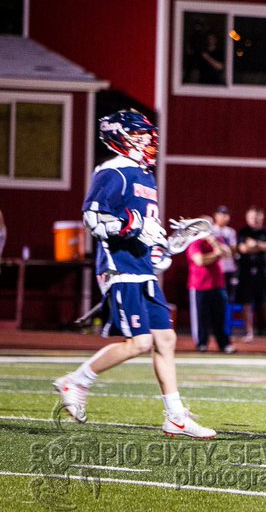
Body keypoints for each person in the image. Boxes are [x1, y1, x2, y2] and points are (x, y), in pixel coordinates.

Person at [53, 109, 215, 438]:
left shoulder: (145, 175)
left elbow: (146, 230)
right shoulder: (113, 171)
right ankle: (76, 381)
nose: (147, 141)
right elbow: (93, 218)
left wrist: (163, 248)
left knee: (166, 340)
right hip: (120, 268)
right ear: (120, 137)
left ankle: (175, 416)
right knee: (139, 343)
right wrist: (133, 225)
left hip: (142, 269)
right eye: (139, 136)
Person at [186, 221, 235, 354]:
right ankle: (201, 343)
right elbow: (200, 261)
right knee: (201, 318)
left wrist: (214, 244)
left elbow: (227, 254)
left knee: (220, 317)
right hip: (199, 286)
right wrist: (216, 254)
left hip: (218, 285)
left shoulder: (216, 240)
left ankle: (224, 344)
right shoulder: (195, 243)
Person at [236, 205, 266, 342]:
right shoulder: (243, 232)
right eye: (252, 218)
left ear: (262, 218)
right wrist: (260, 247)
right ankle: (249, 332)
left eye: (257, 218)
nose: (255, 220)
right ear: (248, 218)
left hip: (262, 272)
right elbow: (243, 249)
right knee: (247, 303)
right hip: (246, 272)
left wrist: (256, 244)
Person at [212, 205, 238, 301]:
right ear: (216, 215)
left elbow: (233, 249)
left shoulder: (230, 232)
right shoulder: (211, 230)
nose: (225, 217)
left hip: (228, 269)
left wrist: (224, 250)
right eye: (222, 215)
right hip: (216, 268)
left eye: (227, 215)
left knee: (227, 296)